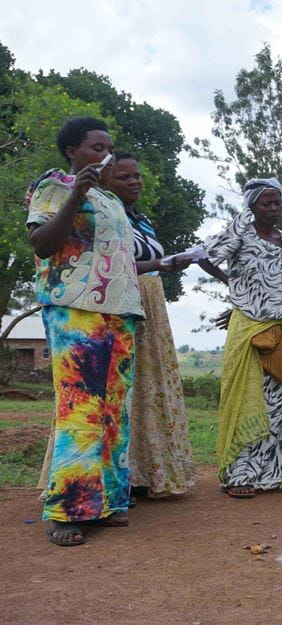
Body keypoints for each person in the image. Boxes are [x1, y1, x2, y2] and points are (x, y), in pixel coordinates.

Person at [26, 117, 145, 546]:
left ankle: (109, 502)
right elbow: (42, 244)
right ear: (73, 151)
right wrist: (76, 193)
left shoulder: (111, 201)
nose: (105, 155)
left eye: (108, 148)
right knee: (81, 409)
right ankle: (67, 509)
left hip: (120, 315)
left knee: (115, 412)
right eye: (96, 148)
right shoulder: (55, 186)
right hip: (76, 313)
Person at [201, 178, 282, 498]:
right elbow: (205, 256)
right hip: (249, 327)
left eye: (278, 202)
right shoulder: (241, 235)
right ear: (252, 205)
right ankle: (240, 474)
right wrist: (235, 286)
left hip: (281, 327)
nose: (274, 208)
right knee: (247, 399)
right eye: (267, 203)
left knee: (276, 401)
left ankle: (272, 472)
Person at [104, 152, 198, 499]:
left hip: (151, 304)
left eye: (136, 176)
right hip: (120, 303)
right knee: (122, 387)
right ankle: (115, 476)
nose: (134, 182)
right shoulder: (106, 216)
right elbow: (112, 263)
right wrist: (161, 262)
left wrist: (165, 264)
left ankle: (145, 470)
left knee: (147, 385)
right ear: (106, 181)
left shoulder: (141, 220)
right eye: (124, 177)